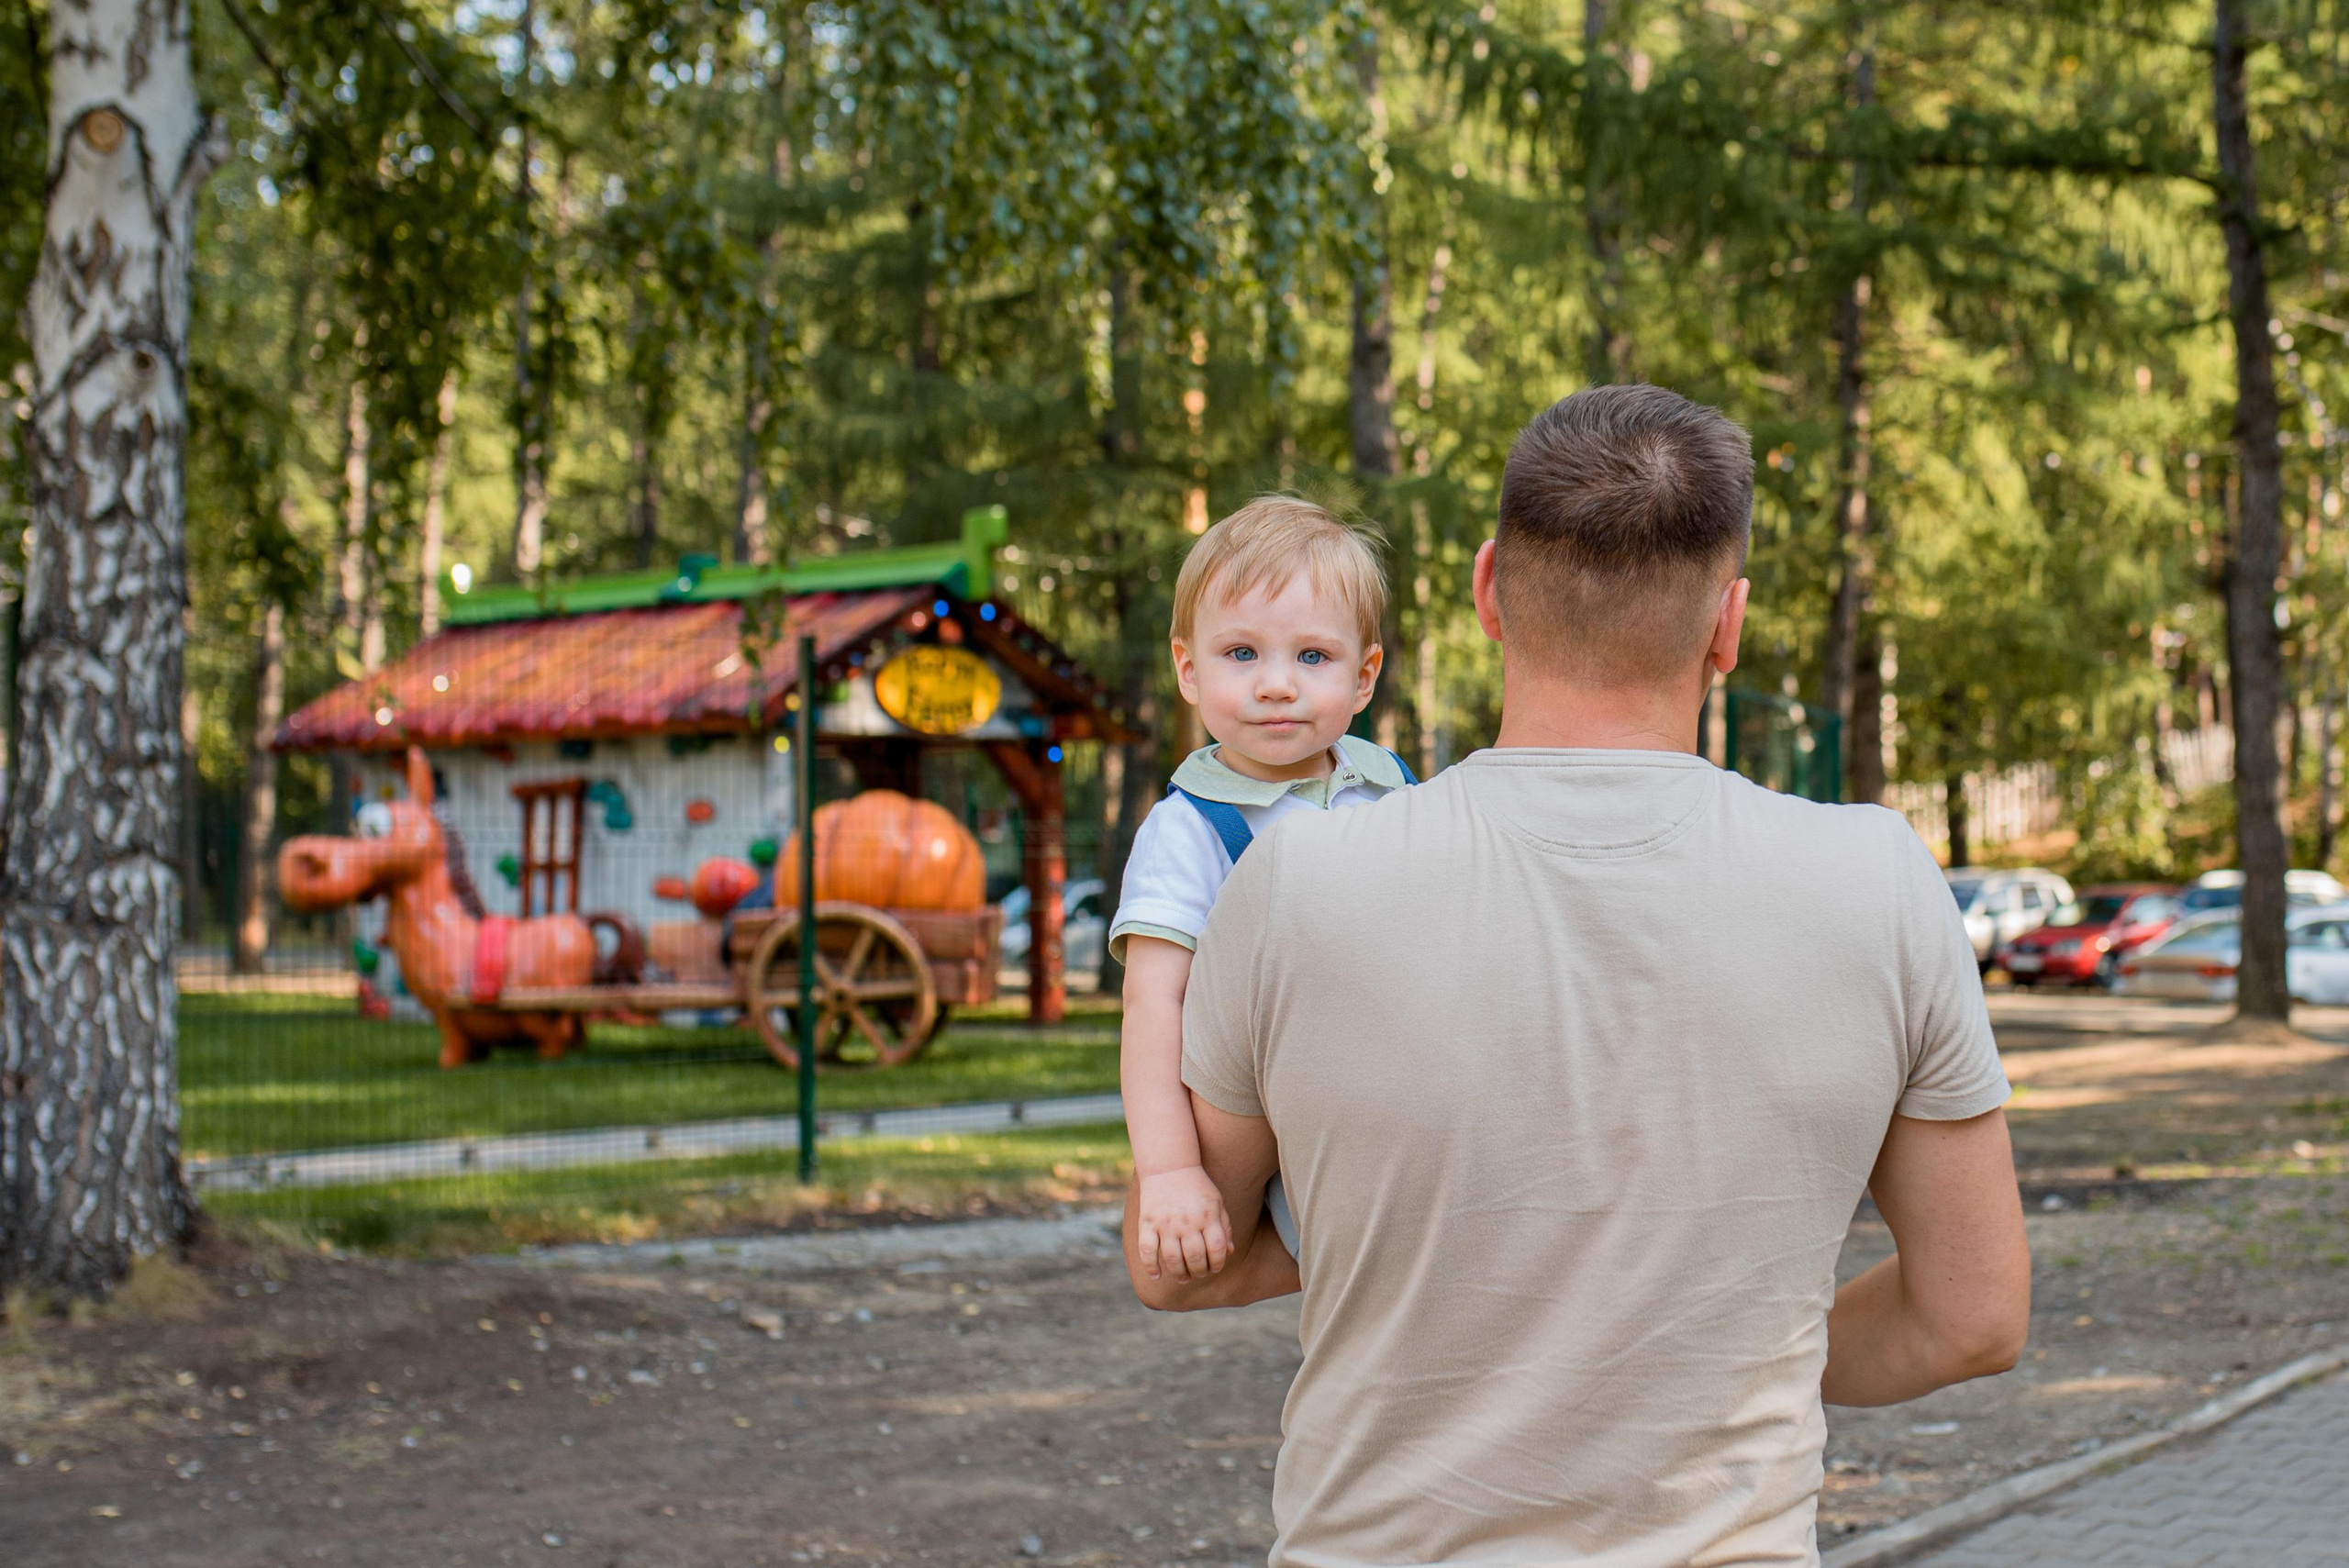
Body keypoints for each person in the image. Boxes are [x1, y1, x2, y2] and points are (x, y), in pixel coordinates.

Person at [1124, 385, 2032, 1568]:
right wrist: (1697, 1351)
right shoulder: (1880, 878)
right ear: (1729, 623)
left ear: (1491, 589)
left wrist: (1422, 1240)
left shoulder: (1294, 879)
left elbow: (1174, 1262)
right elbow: (1972, 1315)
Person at [1111, 496, 1411, 1284]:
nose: (1277, 684)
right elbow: (1154, 1004)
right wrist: (1172, 1171)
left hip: (1407, 1099)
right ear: (1188, 669)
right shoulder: (1190, 829)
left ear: (1364, 675)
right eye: (1241, 653)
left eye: (1312, 657)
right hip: (1286, 1124)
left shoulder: (1394, 789)